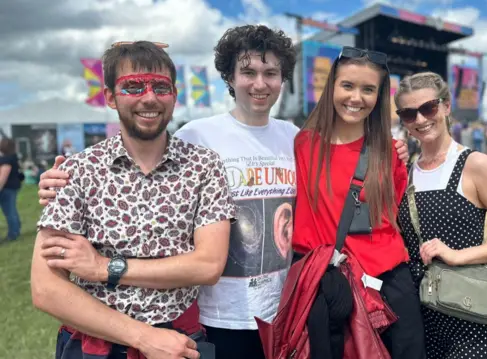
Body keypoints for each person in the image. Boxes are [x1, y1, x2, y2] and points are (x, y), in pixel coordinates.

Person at [37, 25, 412, 359]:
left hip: (284, 308)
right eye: (248, 72)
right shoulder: (195, 138)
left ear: (283, 80)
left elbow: (343, 169)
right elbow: (142, 164)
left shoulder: (295, 139)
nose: (259, 83)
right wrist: (62, 180)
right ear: (229, 78)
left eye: (271, 73)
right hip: (216, 316)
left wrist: (389, 149)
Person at [31, 40, 236, 359]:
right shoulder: (76, 171)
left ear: (175, 95)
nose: (149, 98)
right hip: (97, 346)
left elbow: (208, 265)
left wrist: (104, 267)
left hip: (181, 341)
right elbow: (46, 289)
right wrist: (144, 337)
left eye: (160, 86)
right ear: (110, 97)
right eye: (134, 86)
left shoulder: (203, 166)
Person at [292, 47, 425, 358]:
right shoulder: (302, 145)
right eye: (347, 85)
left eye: (369, 89)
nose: (356, 98)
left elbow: (393, 215)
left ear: (379, 97)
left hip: (388, 280)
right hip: (330, 284)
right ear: (332, 87)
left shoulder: (389, 151)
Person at [393, 71, 487, 359]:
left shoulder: (475, 165)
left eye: (428, 108)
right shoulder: (404, 172)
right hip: (418, 314)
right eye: (408, 113)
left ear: (446, 106)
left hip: (468, 311)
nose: (420, 119)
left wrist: (457, 254)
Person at [0, 138, 23, 243]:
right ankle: (16, 229)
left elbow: (3, 177)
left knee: (9, 211)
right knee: (12, 210)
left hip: (6, 188)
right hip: (13, 187)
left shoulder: (6, 160)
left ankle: (13, 234)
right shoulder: (14, 158)